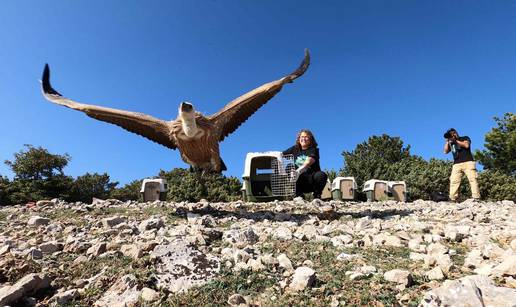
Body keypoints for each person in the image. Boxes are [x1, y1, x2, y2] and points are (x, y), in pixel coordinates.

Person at [283, 129, 328, 199]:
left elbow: (309, 161)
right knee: (289, 167)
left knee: (321, 175)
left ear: (310, 140)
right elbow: (281, 154)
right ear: (299, 139)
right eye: (302, 137)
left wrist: (298, 171)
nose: (303, 139)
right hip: (299, 181)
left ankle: (317, 195)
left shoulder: (314, 149)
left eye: (306, 137)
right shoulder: (294, 149)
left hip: (311, 181)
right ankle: (298, 194)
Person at [443, 128, 480, 201]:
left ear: (455, 133)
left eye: (452, 133)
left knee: (473, 179)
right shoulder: (451, 142)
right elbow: (445, 151)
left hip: (468, 162)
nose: (452, 135)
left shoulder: (464, 138)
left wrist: (456, 141)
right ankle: (453, 198)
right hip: (456, 164)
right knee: (454, 181)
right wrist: (448, 141)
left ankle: (476, 197)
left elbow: (466, 145)